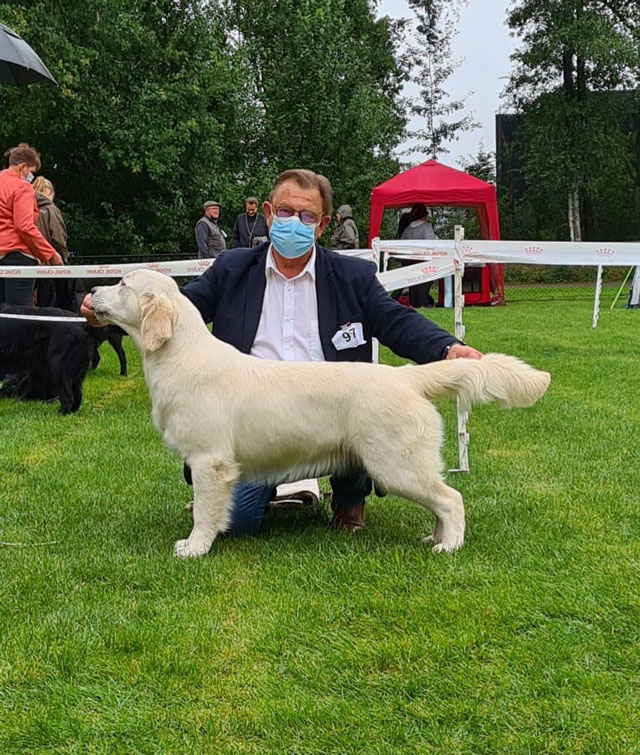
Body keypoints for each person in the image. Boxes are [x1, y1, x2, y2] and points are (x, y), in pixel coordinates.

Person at [82, 168, 480, 535]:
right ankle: (276, 490)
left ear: (323, 225)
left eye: (307, 216)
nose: (295, 222)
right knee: (236, 524)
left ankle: (348, 499)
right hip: (256, 420)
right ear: (269, 214)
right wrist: (110, 312)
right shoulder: (232, 268)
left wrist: (447, 348)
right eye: (286, 211)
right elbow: (178, 310)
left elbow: (395, 320)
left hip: (335, 409)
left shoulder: (351, 276)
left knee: (367, 410)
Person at [0, 143, 63, 304]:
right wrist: (50, 254)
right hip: (18, 257)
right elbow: (24, 226)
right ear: (23, 167)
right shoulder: (22, 187)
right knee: (18, 316)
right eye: (32, 172)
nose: (31, 177)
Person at [399, 203, 437, 308]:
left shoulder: (407, 229)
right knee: (424, 283)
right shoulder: (426, 227)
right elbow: (431, 244)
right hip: (423, 261)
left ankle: (414, 302)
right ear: (425, 216)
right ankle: (423, 303)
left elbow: (401, 243)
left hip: (409, 262)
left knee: (413, 284)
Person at [32, 177, 69, 263]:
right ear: (48, 191)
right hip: (49, 263)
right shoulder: (51, 210)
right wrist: (63, 258)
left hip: (28, 262)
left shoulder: (24, 207)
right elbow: (58, 237)